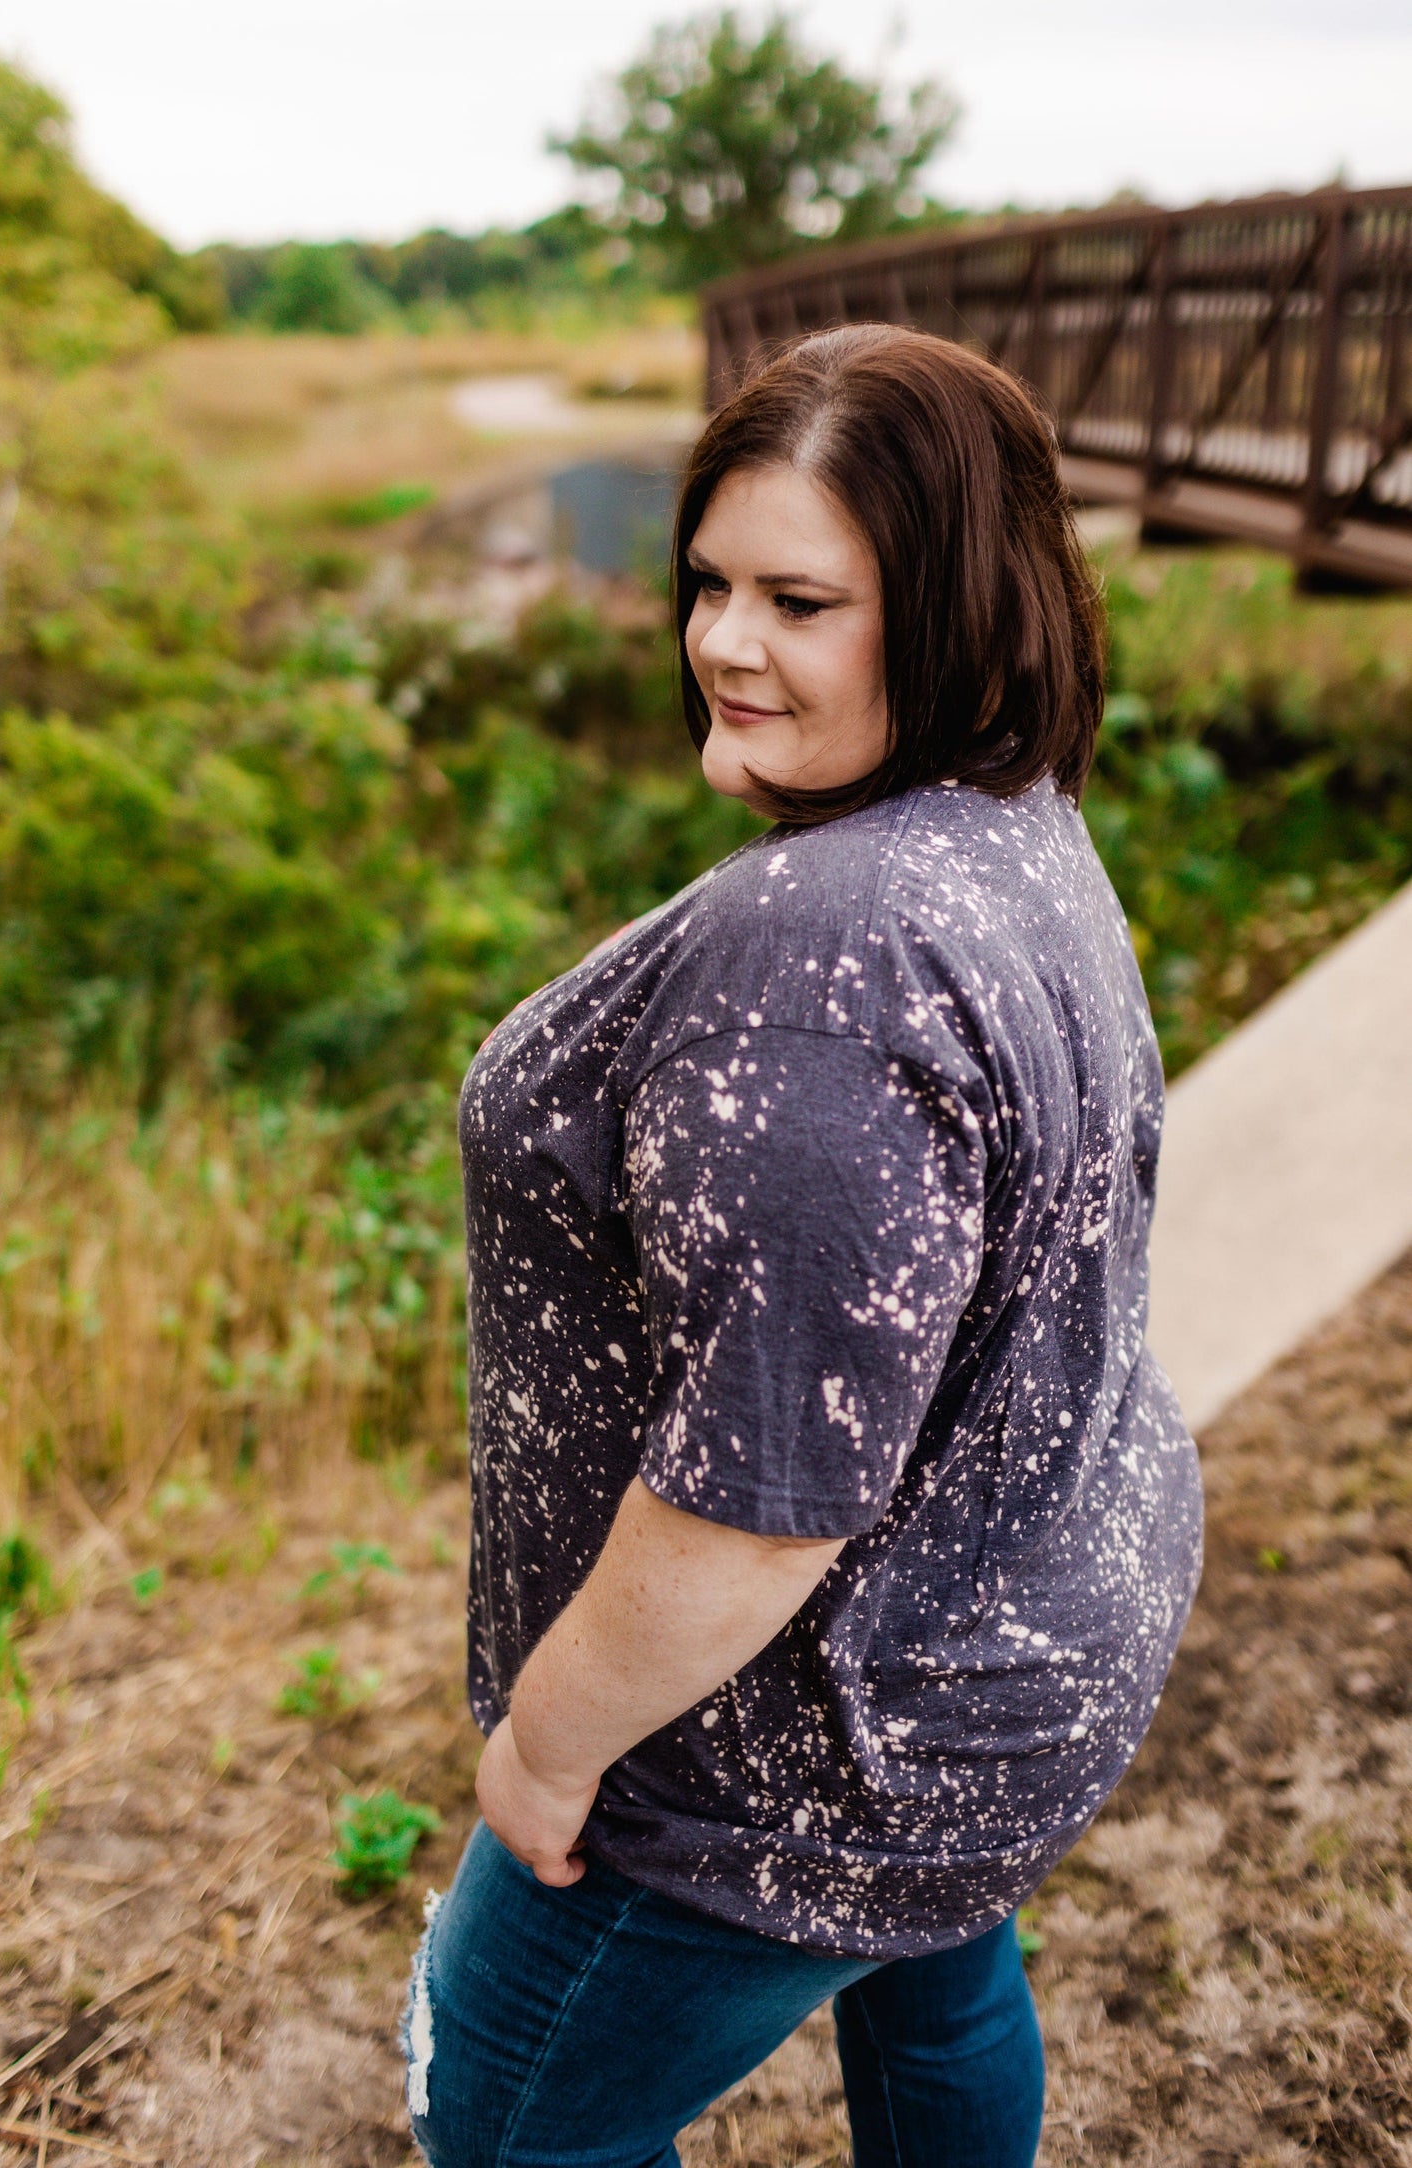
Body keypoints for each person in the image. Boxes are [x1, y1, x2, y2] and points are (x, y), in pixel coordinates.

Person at [402, 324, 1203, 2168]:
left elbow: (761, 1505)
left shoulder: (820, 972)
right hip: (991, 1650)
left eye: (800, 601)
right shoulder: (1000, 820)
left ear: (949, 612)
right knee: (937, 1999)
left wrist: (543, 1743)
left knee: (512, 2127)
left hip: (797, 1746)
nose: (724, 641)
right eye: (708, 581)